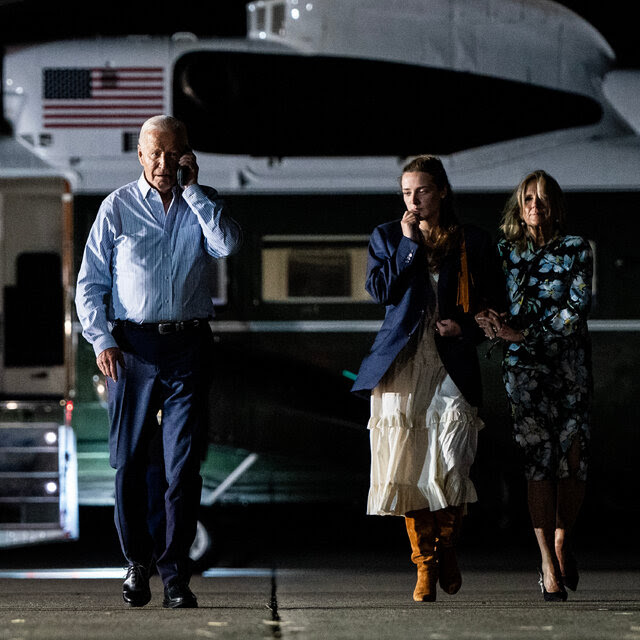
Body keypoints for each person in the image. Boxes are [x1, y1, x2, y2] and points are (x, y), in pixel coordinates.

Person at [75, 115, 242, 608]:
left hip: (188, 346)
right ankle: (135, 564)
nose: (164, 163)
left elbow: (228, 245)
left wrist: (195, 193)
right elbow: (90, 283)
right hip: (131, 349)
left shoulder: (202, 202)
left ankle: (176, 576)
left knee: (183, 466)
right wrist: (101, 340)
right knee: (127, 463)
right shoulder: (117, 207)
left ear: (187, 155)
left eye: (174, 154)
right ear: (140, 156)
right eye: (155, 153)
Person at [351, 155, 502, 602]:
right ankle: (425, 566)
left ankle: (447, 548)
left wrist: (467, 328)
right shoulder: (388, 236)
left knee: (453, 460)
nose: (412, 200)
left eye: (421, 191)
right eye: (405, 193)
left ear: (442, 192)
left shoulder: (471, 240)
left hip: (450, 360)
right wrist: (407, 242)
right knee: (411, 464)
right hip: (402, 360)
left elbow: (496, 301)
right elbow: (381, 291)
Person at [475, 170, 592, 602]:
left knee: (573, 462)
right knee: (538, 465)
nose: (534, 206)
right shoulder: (505, 252)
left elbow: (575, 309)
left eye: (542, 199)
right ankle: (546, 561)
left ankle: (563, 538)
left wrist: (524, 335)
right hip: (523, 373)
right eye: (527, 199)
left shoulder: (576, 249)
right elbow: (486, 298)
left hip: (570, 367)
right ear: (518, 206)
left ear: (555, 205)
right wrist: (488, 320)